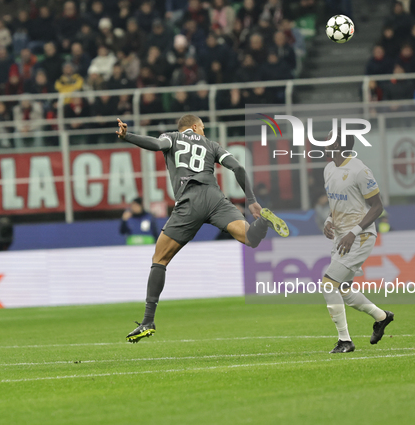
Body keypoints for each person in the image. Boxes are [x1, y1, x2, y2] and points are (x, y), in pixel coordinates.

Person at [115, 115, 289, 342]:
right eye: (203, 128)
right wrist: (252, 200)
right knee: (250, 238)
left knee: (159, 259)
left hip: (189, 200)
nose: (204, 132)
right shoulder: (212, 145)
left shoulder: (173, 137)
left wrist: (128, 136)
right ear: (195, 127)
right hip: (215, 198)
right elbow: (237, 167)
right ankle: (263, 221)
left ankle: (148, 321)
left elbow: (156, 145)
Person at [321, 133, 394, 353]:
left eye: (329, 140)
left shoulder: (360, 170)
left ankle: (345, 341)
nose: (324, 144)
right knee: (343, 290)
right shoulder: (329, 169)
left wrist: (353, 232)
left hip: (359, 237)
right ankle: (381, 317)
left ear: (339, 145)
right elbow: (340, 203)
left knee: (328, 284)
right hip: (341, 237)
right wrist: (329, 219)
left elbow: (377, 206)